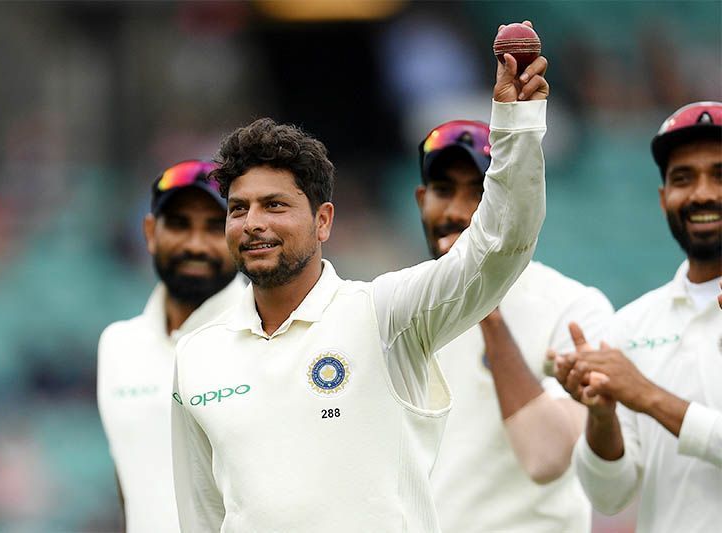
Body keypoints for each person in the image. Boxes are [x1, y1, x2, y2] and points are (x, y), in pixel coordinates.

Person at [171, 23, 550, 531]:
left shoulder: (383, 314)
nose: (253, 222)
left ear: (323, 220)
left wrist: (517, 124)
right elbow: (202, 517)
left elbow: (499, 246)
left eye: (275, 205)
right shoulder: (198, 356)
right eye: (239, 209)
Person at [416, 119, 614, 532]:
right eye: (443, 190)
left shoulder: (575, 308)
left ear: (509, 200)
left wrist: (482, 297)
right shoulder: (398, 308)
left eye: (480, 193)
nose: (455, 211)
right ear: (421, 200)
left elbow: (545, 458)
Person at [555, 101, 722, 533]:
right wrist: (602, 415)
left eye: (720, 175)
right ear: (665, 197)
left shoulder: (633, 363)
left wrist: (647, 395)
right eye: (683, 178)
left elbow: (645, 396)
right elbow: (610, 496)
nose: (702, 193)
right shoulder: (632, 325)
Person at [97, 160, 245, 532]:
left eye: (215, 226)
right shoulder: (118, 345)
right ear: (150, 232)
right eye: (179, 224)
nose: (195, 244)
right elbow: (131, 479)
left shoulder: (267, 333)